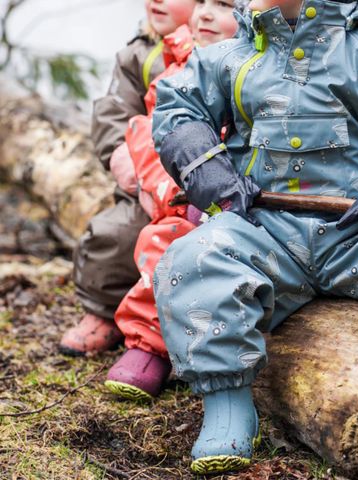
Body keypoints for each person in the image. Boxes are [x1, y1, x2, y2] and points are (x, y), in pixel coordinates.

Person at [151, 0, 358, 474]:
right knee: (190, 263)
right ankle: (226, 401)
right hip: (260, 233)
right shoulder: (229, 57)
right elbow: (178, 108)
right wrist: (211, 174)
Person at [103, 0, 242, 401]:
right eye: (202, 2)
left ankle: (220, 353)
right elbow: (152, 134)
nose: (206, 14)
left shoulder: (265, 72)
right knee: (163, 244)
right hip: (185, 197)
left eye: (226, 5)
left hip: (244, 201)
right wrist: (170, 189)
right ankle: (148, 348)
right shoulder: (178, 69)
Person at [59, 0, 196, 356]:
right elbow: (113, 113)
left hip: (202, 187)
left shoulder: (219, 46)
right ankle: (102, 312)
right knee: (114, 235)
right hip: (149, 185)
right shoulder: (140, 55)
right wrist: (132, 168)